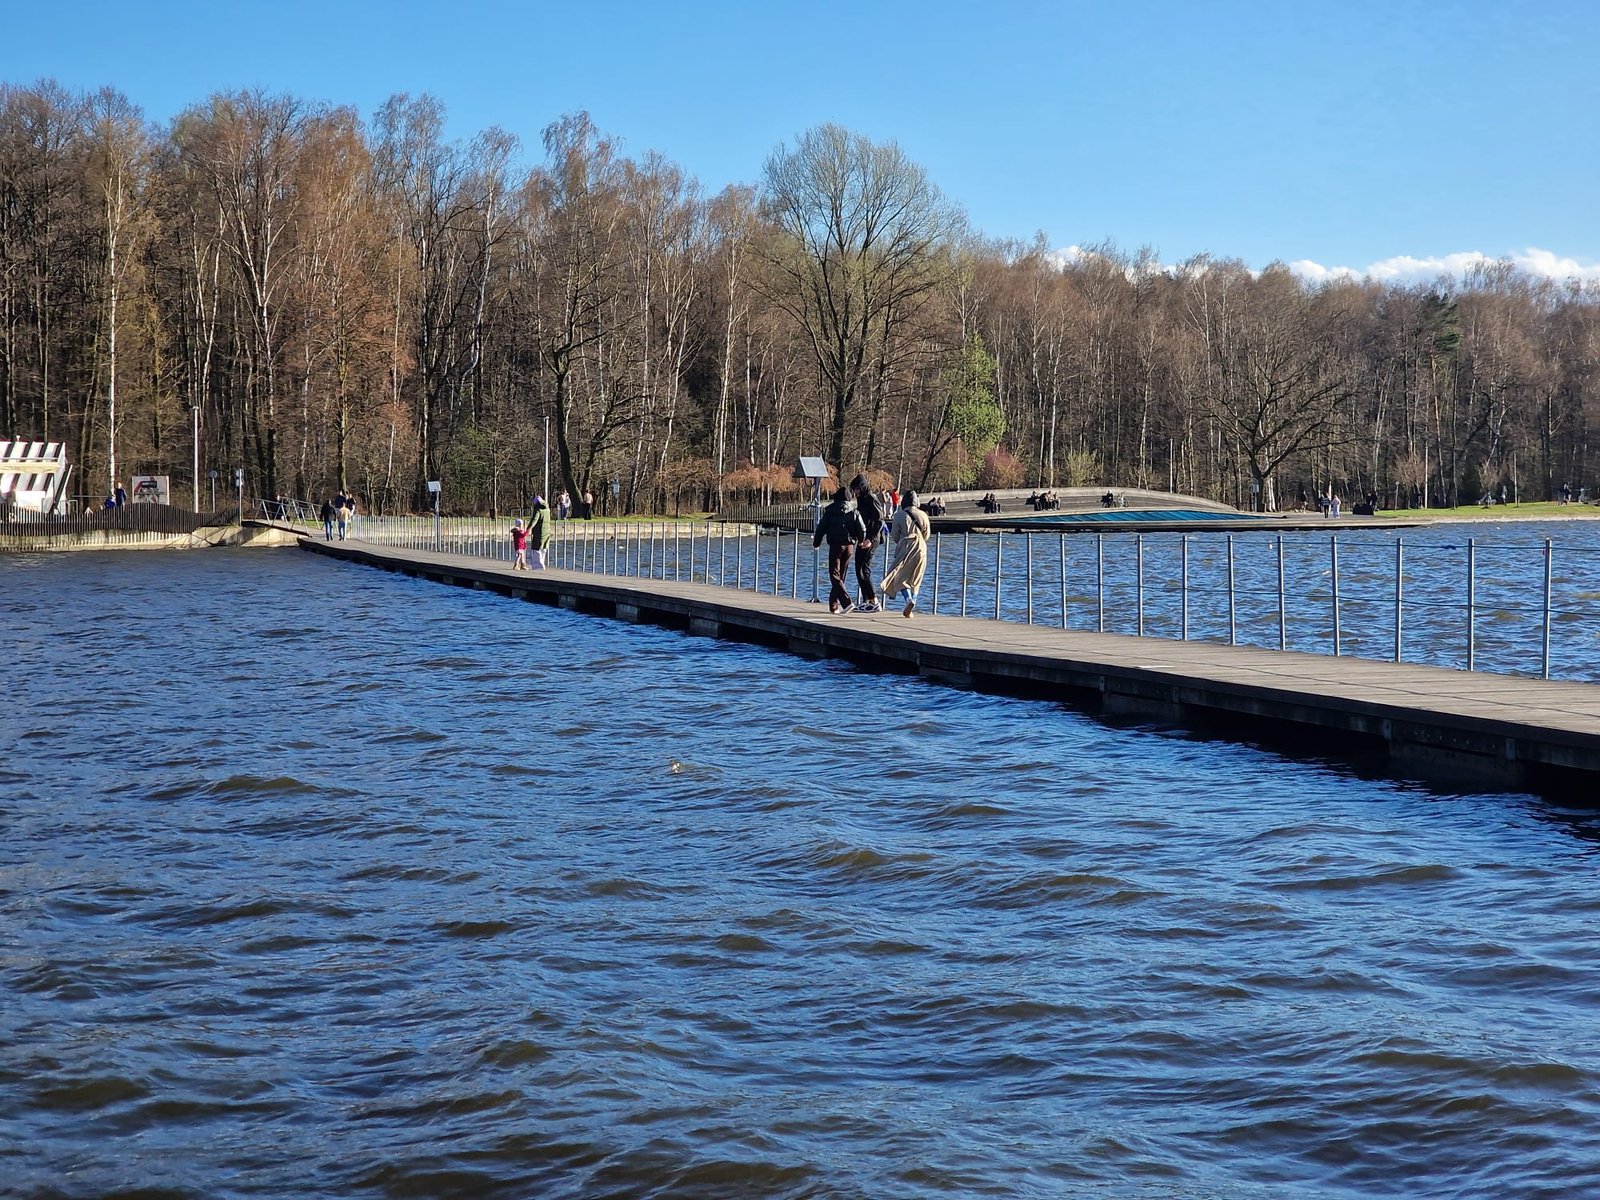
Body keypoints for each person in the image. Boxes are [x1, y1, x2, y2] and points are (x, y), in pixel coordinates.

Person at [813, 486, 867, 614]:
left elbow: (821, 528)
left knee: (834, 574)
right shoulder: (854, 511)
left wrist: (816, 543)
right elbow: (862, 529)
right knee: (841, 575)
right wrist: (861, 541)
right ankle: (833, 605)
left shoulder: (830, 511)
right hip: (849, 546)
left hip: (836, 545)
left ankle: (846, 602)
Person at [879, 490, 932, 618]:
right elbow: (927, 535)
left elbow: (894, 535)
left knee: (899, 576)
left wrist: (902, 541)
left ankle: (908, 599)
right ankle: (913, 600)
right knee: (916, 577)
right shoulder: (924, 515)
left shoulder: (899, 515)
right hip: (921, 547)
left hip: (906, 546)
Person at [849, 473, 885, 612]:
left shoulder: (871, 498)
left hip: (871, 538)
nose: (855, 492)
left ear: (862, 487)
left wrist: (870, 538)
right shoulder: (861, 499)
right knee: (858, 568)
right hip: (863, 538)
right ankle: (866, 600)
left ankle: (874, 600)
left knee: (864, 568)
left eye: (857, 489)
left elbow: (879, 520)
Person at [527, 496, 551, 569]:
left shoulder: (538, 510)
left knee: (537, 548)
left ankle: (538, 565)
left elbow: (534, 520)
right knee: (544, 548)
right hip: (547, 531)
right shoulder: (548, 509)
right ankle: (542, 563)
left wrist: (529, 528)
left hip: (539, 532)